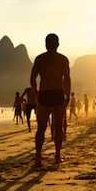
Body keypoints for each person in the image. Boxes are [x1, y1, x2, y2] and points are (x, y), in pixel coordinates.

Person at [31, 33, 71, 167]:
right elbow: (67, 79)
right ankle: (57, 156)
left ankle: (38, 157)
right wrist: (68, 95)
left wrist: (36, 92)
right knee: (58, 127)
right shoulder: (63, 59)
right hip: (58, 93)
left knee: (41, 128)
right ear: (58, 44)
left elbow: (32, 78)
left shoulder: (40, 59)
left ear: (45, 44)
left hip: (44, 94)